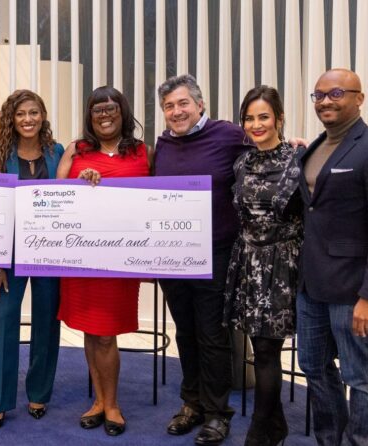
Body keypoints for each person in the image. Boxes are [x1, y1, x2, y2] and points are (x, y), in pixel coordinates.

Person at [297, 68, 368, 446]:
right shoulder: (315, 147)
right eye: (319, 95)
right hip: (312, 284)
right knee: (313, 366)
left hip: (356, 289)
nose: (325, 101)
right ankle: (330, 439)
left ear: (359, 99)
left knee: (360, 376)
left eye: (336, 93)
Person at [154, 74, 249, 446]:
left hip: (215, 253)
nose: (176, 112)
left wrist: (293, 145)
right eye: (169, 106)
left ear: (200, 104)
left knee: (212, 335)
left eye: (183, 104)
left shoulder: (228, 135)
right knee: (185, 331)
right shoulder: (163, 144)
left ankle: (217, 414)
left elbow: (265, 149)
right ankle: (191, 403)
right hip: (172, 254)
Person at [55, 86, 149, 437]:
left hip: (120, 260)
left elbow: (162, 200)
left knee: (106, 335)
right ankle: (99, 400)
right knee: (92, 332)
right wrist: (79, 185)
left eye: (111, 109)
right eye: (98, 110)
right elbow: (54, 197)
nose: (105, 115)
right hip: (81, 258)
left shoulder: (144, 151)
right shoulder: (75, 150)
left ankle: (112, 404)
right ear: (89, 116)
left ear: (123, 112)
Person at [223, 85, 303, 446]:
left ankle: (259, 433)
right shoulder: (242, 162)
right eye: (249, 118)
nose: (256, 124)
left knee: (268, 351)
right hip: (247, 264)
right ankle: (277, 425)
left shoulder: (299, 159)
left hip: (283, 266)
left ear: (279, 119)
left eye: (264, 117)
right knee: (260, 348)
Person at [0, 90, 63, 431]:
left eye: (34, 112)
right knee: (3, 322)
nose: (28, 119)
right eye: (20, 114)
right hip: (10, 254)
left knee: (47, 322)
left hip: (49, 253)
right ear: (11, 119)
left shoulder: (57, 153)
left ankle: (39, 393)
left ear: (43, 116)